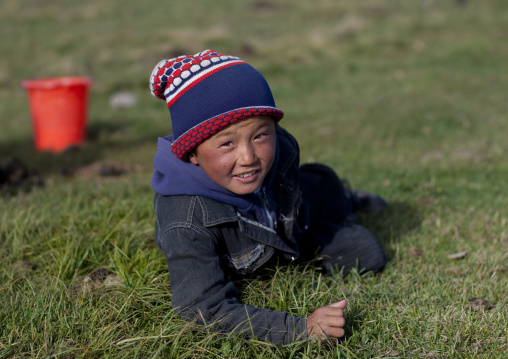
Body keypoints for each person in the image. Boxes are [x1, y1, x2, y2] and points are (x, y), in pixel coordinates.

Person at [150, 50, 387, 345]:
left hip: (286, 216)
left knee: (365, 249)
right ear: (192, 152)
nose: (248, 157)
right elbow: (203, 309)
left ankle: (346, 200)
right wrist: (301, 330)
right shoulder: (185, 221)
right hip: (258, 240)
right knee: (360, 248)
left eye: (260, 136)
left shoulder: (279, 150)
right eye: (226, 144)